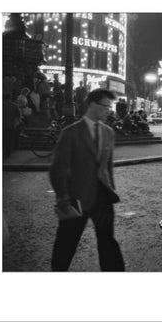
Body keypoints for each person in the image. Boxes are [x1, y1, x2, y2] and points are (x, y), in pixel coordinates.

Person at [49, 89, 125, 271]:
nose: (109, 110)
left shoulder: (108, 132)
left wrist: (111, 190)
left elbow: (107, 167)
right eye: (105, 106)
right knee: (67, 242)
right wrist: (62, 197)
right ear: (92, 105)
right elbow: (58, 168)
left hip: (103, 198)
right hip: (77, 198)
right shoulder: (71, 132)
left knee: (107, 242)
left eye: (110, 106)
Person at [3, 94, 21, 158]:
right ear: (10, 98)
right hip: (11, 125)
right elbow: (18, 116)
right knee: (9, 139)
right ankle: (8, 152)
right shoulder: (14, 105)